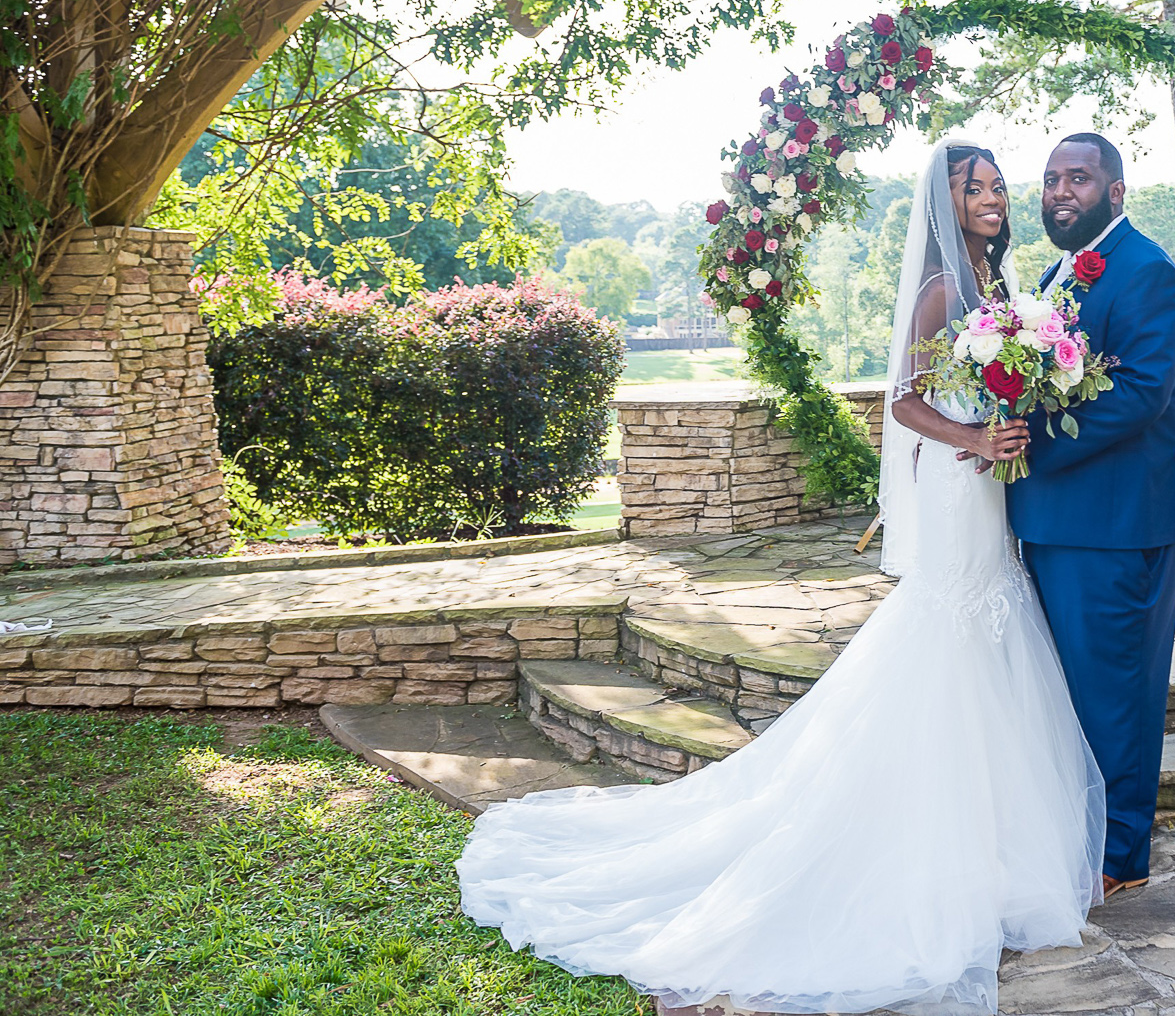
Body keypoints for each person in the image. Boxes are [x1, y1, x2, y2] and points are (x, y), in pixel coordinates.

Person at [456, 140, 1105, 1015]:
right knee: (948, 640)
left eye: (996, 186)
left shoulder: (996, 282)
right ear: (944, 203)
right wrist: (976, 437)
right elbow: (904, 400)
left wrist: (1012, 415)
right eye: (973, 187)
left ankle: (991, 849)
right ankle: (916, 845)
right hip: (959, 486)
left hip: (989, 492)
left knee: (990, 641)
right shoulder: (940, 289)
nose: (992, 198)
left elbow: (992, 380)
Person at [1006, 132, 1175, 897]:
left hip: (1118, 527)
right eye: (1052, 178)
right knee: (1070, 698)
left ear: (1115, 190)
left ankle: (1119, 857)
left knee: (1116, 694)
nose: (1061, 191)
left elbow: (1143, 392)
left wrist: (1031, 443)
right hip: (1057, 521)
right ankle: (1077, 836)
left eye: (1079, 178)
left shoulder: (1147, 271)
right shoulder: (1057, 273)